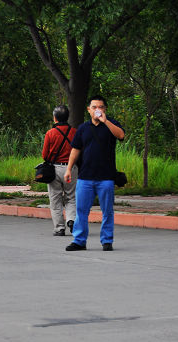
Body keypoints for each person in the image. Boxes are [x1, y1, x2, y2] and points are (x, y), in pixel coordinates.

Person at [63, 95, 125, 251]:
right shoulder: (83, 128)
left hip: (106, 177)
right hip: (85, 177)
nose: (98, 110)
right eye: (95, 107)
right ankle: (79, 240)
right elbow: (75, 149)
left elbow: (121, 135)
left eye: (101, 107)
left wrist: (105, 121)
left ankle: (107, 240)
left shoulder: (111, 124)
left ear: (105, 109)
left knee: (107, 211)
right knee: (81, 211)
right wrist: (69, 169)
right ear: (89, 110)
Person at [42, 105, 77, 236]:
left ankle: (59, 228)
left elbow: (45, 155)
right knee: (71, 197)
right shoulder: (75, 132)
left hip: (55, 170)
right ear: (67, 117)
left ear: (55, 118)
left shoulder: (50, 133)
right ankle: (71, 220)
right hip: (71, 168)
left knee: (55, 198)